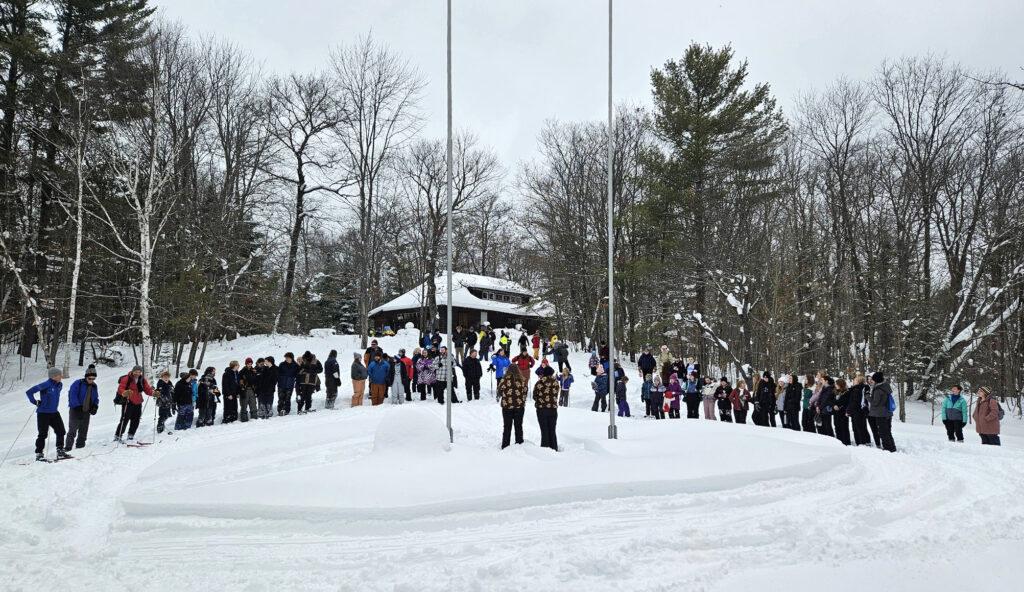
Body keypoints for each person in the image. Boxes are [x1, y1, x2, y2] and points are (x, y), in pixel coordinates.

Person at [26, 367, 69, 462]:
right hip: (43, 413)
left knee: (61, 431)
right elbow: (29, 392)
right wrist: (35, 402)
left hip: (54, 412)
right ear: (53, 376)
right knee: (42, 434)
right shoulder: (46, 384)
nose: (61, 376)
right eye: (59, 375)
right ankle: (39, 454)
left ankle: (60, 451)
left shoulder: (59, 385)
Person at [114, 365, 156, 442]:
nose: (137, 373)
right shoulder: (127, 379)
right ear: (133, 371)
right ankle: (118, 436)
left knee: (136, 420)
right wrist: (125, 392)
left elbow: (147, 389)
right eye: (136, 372)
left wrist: (153, 393)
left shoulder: (142, 380)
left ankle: (131, 435)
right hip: (128, 401)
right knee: (124, 419)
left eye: (139, 372)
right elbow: (120, 388)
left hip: (138, 402)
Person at [66, 365, 100, 449]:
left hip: (86, 411)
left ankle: (80, 447)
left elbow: (96, 397)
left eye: (93, 379)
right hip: (76, 410)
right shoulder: (78, 383)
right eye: (90, 378)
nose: (91, 380)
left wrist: (95, 406)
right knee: (73, 430)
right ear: (86, 377)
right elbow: (72, 395)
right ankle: (68, 448)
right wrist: (77, 406)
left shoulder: (94, 386)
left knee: (84, 430)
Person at [499, 366, 528, 448]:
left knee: (507, 426)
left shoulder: (504, 379)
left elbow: (499, 391)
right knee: (518, 426)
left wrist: (506, 396)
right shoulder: (522, 379)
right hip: (519, 406)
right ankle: (519, 444)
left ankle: (505, 445)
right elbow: (525, 391)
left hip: (507, 406)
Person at [867, 372, 896, 452]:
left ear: (876, 380)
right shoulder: (885, 386)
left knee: (883, 432)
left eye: (873, 379)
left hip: (881, 414)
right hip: (887, 413)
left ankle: (888, 449)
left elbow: (875, 403)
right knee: (888, 431)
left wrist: (868, 397)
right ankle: (892, 447)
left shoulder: (878, 389)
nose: (871, 380)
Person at [534, 365, 559, 451]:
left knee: (544, 430)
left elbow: (534, 396)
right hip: (553, 409)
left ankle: (545, 449)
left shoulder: (539, 383)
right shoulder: (556, 382)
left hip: (542, 409)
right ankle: (554, 447)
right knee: (552, 430)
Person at [846, 375, 871, 445]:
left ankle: (861, 443)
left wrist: (848, 411)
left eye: (855, 380)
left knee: (857, 428)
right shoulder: (862, 388)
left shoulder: (856, 389)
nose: (853, 381)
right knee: (863, 427)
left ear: (858, 381)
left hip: (857, 411)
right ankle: (866, 441)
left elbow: (854, 401)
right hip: (862, 410)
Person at [833, 379, 851, 445]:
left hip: (843, 412)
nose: (835, 385)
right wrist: (834, 405)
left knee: (844, 428)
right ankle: (839, 442)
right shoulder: (836, 391)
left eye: (836, 384)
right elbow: (832, 400)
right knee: (837, 427)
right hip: (836, 412)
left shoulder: (847, 392)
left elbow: (845, 401)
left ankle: (846, 442)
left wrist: (837, 404)